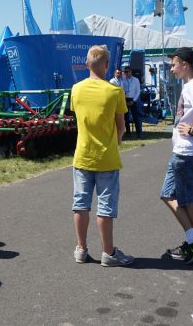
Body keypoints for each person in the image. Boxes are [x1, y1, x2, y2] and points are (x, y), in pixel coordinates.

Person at [70, 45, 133, 267]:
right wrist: (115, 142)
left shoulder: (76, 90)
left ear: (86, 64)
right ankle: (109, 253)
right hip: (107, 158)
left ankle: (81, 249)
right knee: (105, 207)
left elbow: (81, 118)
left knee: (81, 204)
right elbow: (121, 127)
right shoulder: (115, 92)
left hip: (82, 156)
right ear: (106, 66)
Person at [161, 48, 193, 264]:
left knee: (170, 195)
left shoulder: (192, 86)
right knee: (186, 198)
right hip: (191, 151)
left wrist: (191, 130)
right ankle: (192, 242)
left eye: (174, 65)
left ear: (184, 64)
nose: (172, 69)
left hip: (186, 152)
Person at [121, 66, 142, 138]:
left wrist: (133, 100)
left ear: (131, 72)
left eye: (127, 72)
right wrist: (124, 99)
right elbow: (121, 90)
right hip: (125, 99)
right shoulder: (123, 80)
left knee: (135, 117)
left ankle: (138, 133)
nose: (126, 73)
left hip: (133, 100)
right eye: (125, 72)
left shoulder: (136, 80)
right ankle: (128, 132)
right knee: (125, 117)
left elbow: (138, 91)